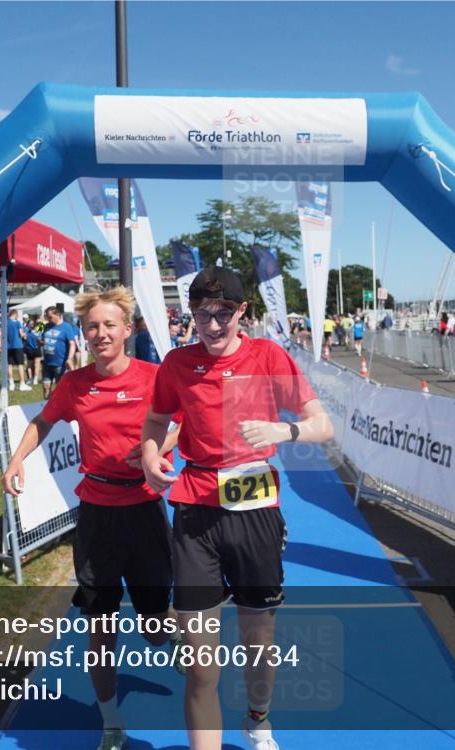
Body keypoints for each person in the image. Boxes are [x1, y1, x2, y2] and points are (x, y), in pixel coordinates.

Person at [141, 266, 334, 750]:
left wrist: (282, 432)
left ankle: (258, 719)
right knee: (201, 663)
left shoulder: (268, 356)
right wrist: (149, 456)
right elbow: (156, 421)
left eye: (223, 313)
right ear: (191, 315)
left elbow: (321, 424)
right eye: (202, 315)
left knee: (257, 644)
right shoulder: (176, 364)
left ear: (241, 311)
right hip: (195, 513)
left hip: (255, 513)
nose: (212, 325)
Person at [2, 287, 182, 750]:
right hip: (98, 516)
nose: (100, 333)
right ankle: (111, 724)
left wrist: (154, 452)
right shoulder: (75, 384)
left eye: (109, 325)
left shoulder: (154, 376)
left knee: (155, 627)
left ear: (127, 329)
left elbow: (180, 421)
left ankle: (165, 626)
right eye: (92, 327)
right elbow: (43, 421)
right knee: (100, 626)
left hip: (144, 510)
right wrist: (17, 459)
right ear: (84, 333)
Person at [40, 305, 77, 399]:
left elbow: (72, 343)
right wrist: (41, 342)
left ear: (57, 315)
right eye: (47, 316)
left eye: (50, 316)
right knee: (46, 386)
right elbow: (45, 339)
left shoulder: (66, 327)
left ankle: (59, 410)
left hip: (60, 364)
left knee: (60, 389)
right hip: (47, 363)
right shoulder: (47, 326)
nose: (48, 319)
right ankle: (46, 407)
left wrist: (69, 358)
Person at [5, 309, 31, 391]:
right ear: (15, 314)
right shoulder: (17, 323)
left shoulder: (5, 322)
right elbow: (21, 333)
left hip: (8, 346)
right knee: (20, 365)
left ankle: (11, 383)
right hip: (18, 346)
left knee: (9, 365)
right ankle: (22, 384)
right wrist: (25, 335)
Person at [23, 318, 42, 385]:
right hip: (36, 349)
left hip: (29, 350)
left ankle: (31, 379)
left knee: (30, 366)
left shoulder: (26, 331)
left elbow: (24, 339)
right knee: (36, 365)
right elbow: (40, 341)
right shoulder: (38, 331)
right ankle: (35, 379)